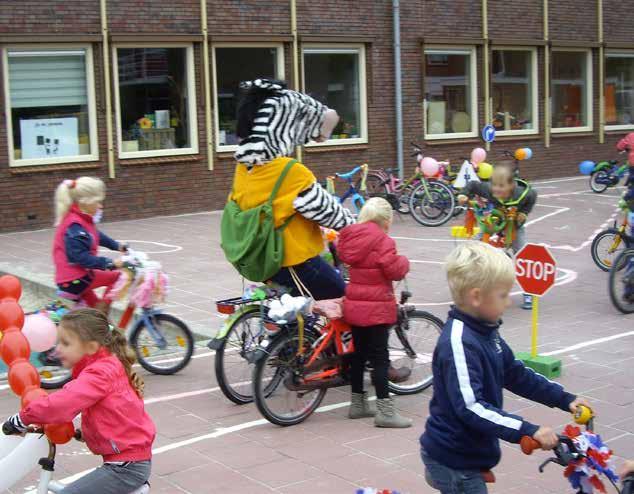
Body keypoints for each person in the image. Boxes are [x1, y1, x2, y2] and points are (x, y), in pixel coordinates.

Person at [228, 79, 409, 382]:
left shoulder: (244, 170)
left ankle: (317, 351)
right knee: (352, 301)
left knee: (318, 304)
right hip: (295, 259)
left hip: (261, 259)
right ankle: (373, 364)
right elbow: (330, 211)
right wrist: (363, 230)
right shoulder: (289, 172)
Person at [420, 242, 588, 494]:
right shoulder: (459, 342)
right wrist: (528, 430)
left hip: (472, 453)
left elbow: (515, 373)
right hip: (454, 460)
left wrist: (565, 399)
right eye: (502, 295)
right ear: (476, 297)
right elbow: (471, 407)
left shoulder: (486, 330)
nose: (509, 302)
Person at [4, 309, 155, 494]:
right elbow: (113, 414)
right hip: (129, 463)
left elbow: (61, 404)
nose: (58, 349)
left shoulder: (99, 372)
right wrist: (82, 433)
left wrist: (22, 419)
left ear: (91, 347)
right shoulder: (104, 366)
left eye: (66, 343)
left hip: (125, 468)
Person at [337, 197, 412, 428]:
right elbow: (394, 270)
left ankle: (357, 405)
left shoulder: (351, 237)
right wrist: (404, 262)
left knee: (358, 356)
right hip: (377, 306)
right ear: (385, 220)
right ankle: (385, 412)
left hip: (355, 304)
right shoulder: (383, 240)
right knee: (380, 359)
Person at [457, 163, 537, 309]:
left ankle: (529, 292)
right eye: (495, 186)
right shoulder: (489, 189)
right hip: (495, 221)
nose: (497, 190)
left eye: (502, 187)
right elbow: (473, 185)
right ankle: (473, 285)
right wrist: (463, 194)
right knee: (474, 246)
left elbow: (532, 197)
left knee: (522, 254)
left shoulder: (524, 193)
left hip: (514, 226)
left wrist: (524, 213)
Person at [53, 177, 127, 314]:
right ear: (85, 202)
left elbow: (96, 235)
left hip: (75, 278)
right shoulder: (74, 225)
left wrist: (117, 246)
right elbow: (79, 257)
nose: (100, 206)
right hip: (76, 279)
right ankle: (104, 310)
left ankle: (97, 321)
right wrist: (109, 263)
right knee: (120, 276)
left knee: (95, 314)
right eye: (97, 202)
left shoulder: (81, 220)